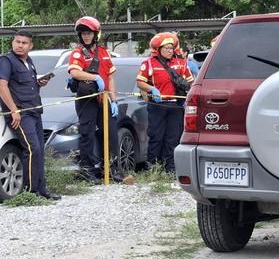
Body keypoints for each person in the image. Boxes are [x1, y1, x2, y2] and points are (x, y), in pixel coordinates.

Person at [0, 31, 61, 200]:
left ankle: (42, 190)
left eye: (24, 43)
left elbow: (27, 87)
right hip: (21, 113)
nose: (20, 45)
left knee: (39, 150)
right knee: (32, 149)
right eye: (17, 41)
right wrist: (13, 110)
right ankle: (31, 193)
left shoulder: (29, 62)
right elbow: (2, 86)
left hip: (35, 111)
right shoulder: (6, 61)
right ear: (12, 43)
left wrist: (40, 84)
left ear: (30, 46)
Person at [68, 16, 123, 183]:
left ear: (95, 34)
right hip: (87, 100)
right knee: (87, 134)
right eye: (83, 33)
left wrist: (114, 100)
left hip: (104, 99)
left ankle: (113, 170)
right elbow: (74, 72)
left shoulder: (104, 53)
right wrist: (94, 77)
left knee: (111, 135)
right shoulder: (77, 53)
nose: (86, 36)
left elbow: (111, 78)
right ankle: (88, 171)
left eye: (89, 33)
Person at [136, 32, 193, 172]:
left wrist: (189, 99)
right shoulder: (149, 63)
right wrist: (152, 89)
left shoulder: (181, 63)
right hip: (158, 106)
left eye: (171, 48)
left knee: (173, 138)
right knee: (156, 137)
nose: (169, 50)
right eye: (166, 48)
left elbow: (191, 82)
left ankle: (171, 169)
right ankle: (153, 168)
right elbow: (139, 82)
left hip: (176, 106)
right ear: (158, 49)